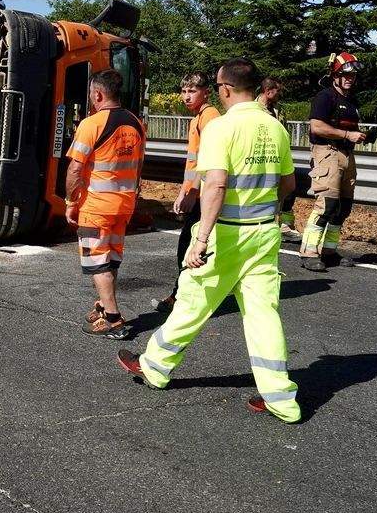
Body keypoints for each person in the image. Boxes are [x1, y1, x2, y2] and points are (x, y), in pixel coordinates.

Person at [119, 57, 301, 423]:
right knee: (263, 312)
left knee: (194, 298)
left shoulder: (222, 127)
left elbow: (215, 184)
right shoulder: (275, 127)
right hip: (265, 234)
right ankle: (282, 398)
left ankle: (155, 366)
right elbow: (289, 184)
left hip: (227, 233)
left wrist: (200, 238)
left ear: (225, 89)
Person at [65, 69, 146, 338]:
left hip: (96, 207)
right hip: (123, 205)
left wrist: (70, 201)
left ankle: (113, 318)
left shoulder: (92, 124)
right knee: (111, 258)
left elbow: (75, 169)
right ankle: (103, 304)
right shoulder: (136, 123)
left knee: (98, 262)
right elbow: (138, 165)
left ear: (98, 94)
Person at [154, 72, 220, 311]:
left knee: (190, 244)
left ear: (206, 92)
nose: (186, 96)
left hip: (206, 194)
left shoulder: (209, 117)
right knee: (192, 243)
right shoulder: (199, 118)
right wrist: (187, 189)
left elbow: (208, 160)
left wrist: (189, 192)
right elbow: (194, 161)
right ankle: (183, 292)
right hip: (201, 192)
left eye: (192, 91)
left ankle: (182, 295)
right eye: (184, 91)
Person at [299, 52, 366, 272]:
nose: (349, 78)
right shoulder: (325, 97)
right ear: (334, 75)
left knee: (343, 206)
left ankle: (329, 250)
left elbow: (347, 129)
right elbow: (316, 127)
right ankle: (309, 251)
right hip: (327, 153)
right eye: (345, 74)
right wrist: (347, 135)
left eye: (353, 75)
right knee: (325, 204)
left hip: (347, 154)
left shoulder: (352, 101)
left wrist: (359, 135)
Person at [258, 76, 298, 238]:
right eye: (278, 91)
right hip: (263, 158)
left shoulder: (277, 110)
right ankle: (267, 225)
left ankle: (283, 225)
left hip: (279, 157)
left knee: (287, 188)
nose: (280, 94)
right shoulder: (255, 109)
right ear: (268, 92)